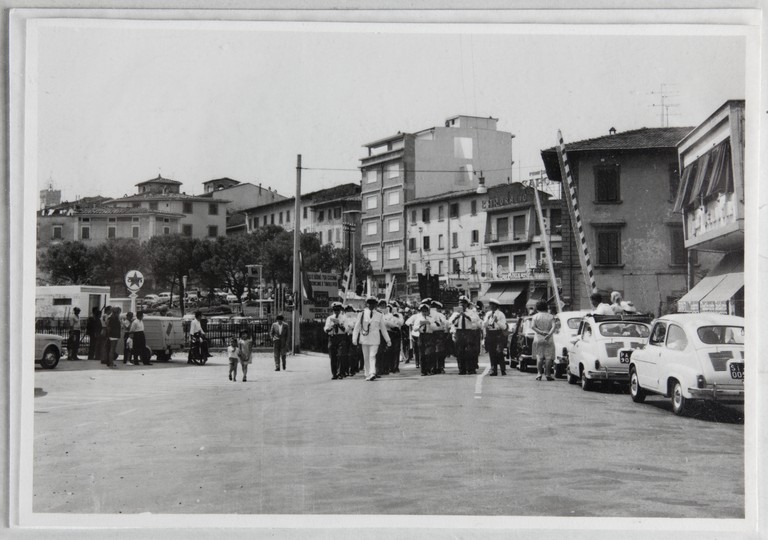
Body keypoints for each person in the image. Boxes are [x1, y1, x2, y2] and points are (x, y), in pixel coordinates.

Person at [352, 296, 392, 381]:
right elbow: (356, 327)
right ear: (367, 304)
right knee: (366, 357)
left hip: (375, 339)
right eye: (369, 303)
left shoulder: (379, 315)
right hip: (364, 338)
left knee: (372, 356)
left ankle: (372, 372)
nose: (371, 305)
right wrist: (354, 339)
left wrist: (388, 340)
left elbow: (383, 329)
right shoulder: (361, 314)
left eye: (373, 303)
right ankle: (367, 373)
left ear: (376, 305)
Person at [449, 295, 482, 375]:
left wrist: (466, 316)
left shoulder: (472, 312)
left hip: (469, 332)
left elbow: (477, 322)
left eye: (463, 303)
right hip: (459, 332)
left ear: (467, 304)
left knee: (470, 351)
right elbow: (449, 323)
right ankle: (461, 369)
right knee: (460, 351)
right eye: (460, 303)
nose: (462, 305)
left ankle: (471, 368)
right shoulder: (455, 313)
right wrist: (456, 317)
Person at [531, 299, 557, 381]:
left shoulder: (535, 316)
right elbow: (554, 326)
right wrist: (549, 334)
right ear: (546, 307)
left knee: (539, 356)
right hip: (548, 338)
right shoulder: (551, 316)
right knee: (548, 357)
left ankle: (539, 373)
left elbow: (533, 327)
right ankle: (548, 374)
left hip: (538, 337)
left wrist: (541, 332)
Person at [411, 303, 438, 376]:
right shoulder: (418, 319)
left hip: (429, 336)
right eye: (423, 311)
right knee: (422, 355)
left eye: (426, 311)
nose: (424, 313)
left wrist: (429, 324)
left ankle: (429, 369)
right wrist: (420, 326)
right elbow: (414, 328)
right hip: (422, 336)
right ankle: (423, 371)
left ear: (428, 311)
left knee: (429, 354)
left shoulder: (431, 319)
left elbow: (436, 327)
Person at [483, 299, 507, 376]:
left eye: (491, 305)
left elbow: (504, 327)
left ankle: (503, 369)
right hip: (490, 333)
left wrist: (497, 321)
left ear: (495, 305)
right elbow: (484, 325)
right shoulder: (488, 314)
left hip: (498, 333)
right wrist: (487, 319)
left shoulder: (501, 314)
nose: (490, 306)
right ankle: (493, 369)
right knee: (492, 352)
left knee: (499, 351)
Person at [324, 302, 347, 380]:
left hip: (341, 337)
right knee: (333, 356)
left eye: (338, 309)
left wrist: (340, 325)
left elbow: (346, 329)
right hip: (332, 337)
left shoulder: (344, 318)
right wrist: (332, 326)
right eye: (335, 310)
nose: (336, 311)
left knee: (341, 355)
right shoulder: (329, 318)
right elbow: (326, 329)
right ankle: (334, 374)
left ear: (340, 310)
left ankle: (340, 372)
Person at [430, 301, 448, 374]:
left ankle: (439, 367)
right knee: (433, 351)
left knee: (439, 351)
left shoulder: (440, 315)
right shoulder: (429, 315)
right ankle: (434, 367)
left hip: (439, 333)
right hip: (432, 333)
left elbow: (445, 324)